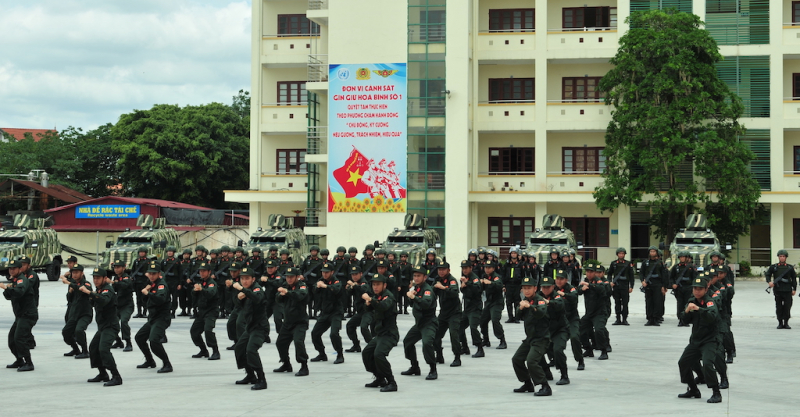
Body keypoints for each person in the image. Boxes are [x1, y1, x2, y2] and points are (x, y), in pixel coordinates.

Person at [677, 276, 723, 404]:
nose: (697, 291)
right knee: (683, 362)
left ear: (706, 289)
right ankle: (693, 389)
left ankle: (716, 392)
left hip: (709, 340)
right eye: (695, 289)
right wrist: (687, 311)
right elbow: (684, 320)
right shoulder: (691, 301)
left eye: (700, 289)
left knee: (707, 364)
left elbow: (712, 316)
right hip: (696, 340)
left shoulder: (710, 302)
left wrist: (698, 309)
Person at [511, 274, 552, 396]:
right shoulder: (525, 301)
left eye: (529, 288)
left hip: (541, 339)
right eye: (524, 288)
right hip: (530, 339)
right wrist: (521, 308)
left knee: (531, 361)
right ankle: (527, 383)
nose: (527, 290)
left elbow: (541, 312)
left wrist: (530, 307)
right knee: (517, 359)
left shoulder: (540, 300)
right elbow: (517, 317)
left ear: (535, 288)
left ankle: (545, 386)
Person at [232, 267, 269, 390]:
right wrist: (238, 298)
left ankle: (262, 379)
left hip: (260, 327)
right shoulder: (245, 291)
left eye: (247, 278)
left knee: (251, 350)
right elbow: (238, 304)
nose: (244, 281)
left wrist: (243, 290)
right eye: (242, 278)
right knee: (239, 348)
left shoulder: (257, 289)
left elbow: (257, 298)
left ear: (253, 279)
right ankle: (250, 375)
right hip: (250, 327)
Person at [362, 273, 399, 392]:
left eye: (378, 284)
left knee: (379, 354)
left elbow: (383, 306)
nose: (375, 287)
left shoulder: (388, 296)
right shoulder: (377, 296)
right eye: (373, 284)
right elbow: (369, 308)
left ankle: (392, 382)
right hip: (380, 334)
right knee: (367, 353)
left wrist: (370, 300)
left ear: (385, 285)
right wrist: (368, 303)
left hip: (389, 334)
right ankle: (379, 378)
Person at [86, 267, 123, 386]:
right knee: (93, 348)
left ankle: (116, 376)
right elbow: (93, 303)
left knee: (103, 349)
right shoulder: (98, 290)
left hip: (111, 326)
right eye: (94, 278)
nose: (95, 280)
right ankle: (103, 373)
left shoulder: (108, 290)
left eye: (98, 278)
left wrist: (90, 293)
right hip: (102, 326)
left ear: (105, 278)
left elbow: (103, 301)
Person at [401, 266, 439, 380]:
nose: (416, 278)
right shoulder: (417, 288)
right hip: (419, 323)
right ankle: (414, 367)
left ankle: (433, 369)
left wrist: (414, 297)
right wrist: (411, 297)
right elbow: (412, 304)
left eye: (419, 276)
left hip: (429, 323)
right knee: (407, 342)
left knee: (427, 344)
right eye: (415, 276)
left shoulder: (427, 290)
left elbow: (426, 304)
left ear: (425, 277)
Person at [134, 261, 173, 373]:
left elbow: (160, 299)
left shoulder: (161, 285)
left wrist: (148, 293)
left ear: (159, 274)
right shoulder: (151, 284)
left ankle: (167, 364)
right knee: (139, 337)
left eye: (154, 274)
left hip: (162, 318)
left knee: (154, 340)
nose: (151, 276)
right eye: (150, 273)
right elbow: (145, 301)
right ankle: (150, 361)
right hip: (153, 318)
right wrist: (146, 293)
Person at [273, 267, 310, 377]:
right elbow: (277, 299)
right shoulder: (285, 285)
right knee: (280, 343)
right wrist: (280, 295)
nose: (289, 279)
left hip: (300, 322)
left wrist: (288, 293)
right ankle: (286, 364)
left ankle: (304, 366)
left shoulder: (302, 286)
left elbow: (300, 296)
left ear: (297, 277)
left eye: (291, 277)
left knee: (298, 342)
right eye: (287, 277)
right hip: (288, 322)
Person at [1, 259, 37, 371]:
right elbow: (9, 296)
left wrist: (7, 287)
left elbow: (19, 292)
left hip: (28, 315)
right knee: (12, 339)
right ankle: (19, 359)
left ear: (19, 269)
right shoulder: (15, 280)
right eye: (10, 269)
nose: (11, 271)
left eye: (14, 268)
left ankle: (29, 363)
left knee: (19, 338)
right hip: (20, 315)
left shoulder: (22, 280)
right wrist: (8, 288)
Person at [310, 262, 345, 364]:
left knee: (334, 334)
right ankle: (321, 353)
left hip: (336, 312)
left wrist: (325, 286)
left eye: (327, 272)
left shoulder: (336, 281)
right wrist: (318, 287)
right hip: (325, 312)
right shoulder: (320, 280)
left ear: (332, 272)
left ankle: (340, 354)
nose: (324, 274)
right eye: (323, 272)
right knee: (315, 333)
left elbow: (336, 289)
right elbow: (314, 290)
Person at [539, 274, 570, 385]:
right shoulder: (538, 296)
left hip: (560, 330)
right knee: (536, 351)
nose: (545, 289)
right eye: (543, 287)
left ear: (552, 287)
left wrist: (548, 302)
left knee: (558, 350)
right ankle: (546, 372)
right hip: (545, 331)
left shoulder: (556, 296)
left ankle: (564, 375)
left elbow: (560, 304)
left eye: (548, 287)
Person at [432, 261, 462, 367]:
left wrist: (443, 287)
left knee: (454, 334)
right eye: (439, 269)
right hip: (443, 312)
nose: (441, 271)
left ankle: (457, 357)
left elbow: (454, 292)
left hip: (454, 312)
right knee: (435, 334)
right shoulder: (437, 280)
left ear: (448, 270)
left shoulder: (452, 280)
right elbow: (432, 294)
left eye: (443, 269)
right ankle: (439, 355)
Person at [579, 263, 611, 361]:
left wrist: (590, 285)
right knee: (580, 329)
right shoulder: (585, 281)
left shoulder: (599, 281)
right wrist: (582, 289)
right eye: (587, 271)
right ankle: (588, 349)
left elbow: (602, 289)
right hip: (589, 313)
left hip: (600, 313)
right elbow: (577, 291)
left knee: (599, 330)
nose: (589, 274)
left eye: (591, 272)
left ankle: (604, 350)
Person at [555, 265, 584, 371]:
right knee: (549, 339)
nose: (559, 281)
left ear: (566, 280)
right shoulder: (552, 288)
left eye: (561, 279)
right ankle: (554, 359)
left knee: (574, 337)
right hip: (559, 320)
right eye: (557, 278)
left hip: (572, 319)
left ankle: (580, 360)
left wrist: (564, 294)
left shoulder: (570, 288)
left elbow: (574, 297)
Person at [190, 262, 220, 360]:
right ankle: (203, 350)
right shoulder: (200, 282)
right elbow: (193, 294)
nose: (202, 273)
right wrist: (195, 290)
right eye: (200, 271)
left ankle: (215, 351)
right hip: (201, 311)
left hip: (211, 311)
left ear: (209, 272)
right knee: (194, 331)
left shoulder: (212, 283)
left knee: (208, 330)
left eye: (204, 271)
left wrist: (201, 289)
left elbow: (210, 294)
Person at [62, 263, 93, 359]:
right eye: (73, 272)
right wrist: (70, 292)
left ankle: (85, 351)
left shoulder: (86, 283)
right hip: (74, 313)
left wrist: (70, 284)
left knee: (79, 330)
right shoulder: (72, 284)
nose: (74, 274)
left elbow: (83, 290)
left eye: (77, 272)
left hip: (85, 314)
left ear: (82, 273)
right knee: (66, 332)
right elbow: (69, 299)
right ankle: (75, 349)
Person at [765, 249, 797, 329]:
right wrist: (769, 282)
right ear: (778, 257)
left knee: (787, 307)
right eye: (780, 256)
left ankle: (786, 323)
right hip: (778, 290)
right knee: (779, 307)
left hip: (787, 290)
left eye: (783, 256)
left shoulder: (790, 267)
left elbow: (793, 278)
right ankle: (780, 322)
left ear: (786, 257)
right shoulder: (774, 267)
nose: (782, 258)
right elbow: (768, 274)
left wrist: (794, 289)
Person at [479, 260, 507, 349]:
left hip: (497, 302)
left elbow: (499, 285)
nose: (487, 269)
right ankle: (486, 340)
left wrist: (490, 282)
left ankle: (502, 340)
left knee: (495, 320)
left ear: (493, 268)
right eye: (486, 267)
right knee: (482, 320)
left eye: (489, 268)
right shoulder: (484, 276)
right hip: (488, 302)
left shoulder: (496, 277)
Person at [458, 260, 483, 358]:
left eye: (466, 268)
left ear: (470, 268)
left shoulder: (474, 278)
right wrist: (462, 287)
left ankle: (480, 348)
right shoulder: (464, 278)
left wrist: (467, 283)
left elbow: (478, 290)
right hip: (467, 308)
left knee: (473, 327)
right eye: (463, 268)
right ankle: (464, 347)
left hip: (475, 308)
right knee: (459, 326)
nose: (464, 270)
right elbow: (464, 291)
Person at [110, 259, 134, 352]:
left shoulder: (127, 277)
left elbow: (124, 285)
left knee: (124, 322)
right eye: (115, 267)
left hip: (127, 305)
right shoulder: (116, 277)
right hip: (117, 305)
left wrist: (114, 283)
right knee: (111, 323)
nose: (116, 269)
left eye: (118, 267)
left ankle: (128, 342)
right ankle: (118, 341)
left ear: (123, 268)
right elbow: (114, 290)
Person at [640, 246, 668, 326]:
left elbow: (664, 275)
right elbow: (641, 273)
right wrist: (642, 281)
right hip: (648, 284)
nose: (652, 253)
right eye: (651, 251)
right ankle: (650, 319)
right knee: (649, 302)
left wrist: (664, 286)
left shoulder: (660, 263)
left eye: (654, 251)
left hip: (658, 284)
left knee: (657, 302)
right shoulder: (645, 262)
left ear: (656, 252)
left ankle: (656, 318)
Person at [345, 265, 371, 353]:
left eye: (356, 274)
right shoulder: (354, 283)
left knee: (364, 327)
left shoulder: (364, 282)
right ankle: (356, 345)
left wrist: (353, 285)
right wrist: (351, 287)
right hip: (360, 312)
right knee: (350, 325)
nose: (354, 276)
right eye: (353, 275)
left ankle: (372, 346)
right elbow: (348, 292)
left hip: (368, 311)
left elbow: (364, 289)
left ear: (361, 274)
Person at [607, 247, 634, 325]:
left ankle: (624, 319)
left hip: (625, 286)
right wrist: (610, 282)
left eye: (622, 253)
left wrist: (631, 286)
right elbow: (609, 274)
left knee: (625, 303)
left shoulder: (628, 263)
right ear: (617, 254)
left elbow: (631, 276)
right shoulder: (614, 263)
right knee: (617, 303)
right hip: (616, 286)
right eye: (620, 253)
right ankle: (618, 319)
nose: (621, 255)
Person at [670, 251, 697, 327]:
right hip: (679, 288)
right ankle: (681, 319)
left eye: (683, 257)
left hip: (688, 288)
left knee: (687, 304)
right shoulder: (676, 267)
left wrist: (694, 288)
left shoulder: (691, 267)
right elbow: (671, 277)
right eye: (681, 257)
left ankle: (686, 320)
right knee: (680, 304)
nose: (682, 259)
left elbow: (695, 278)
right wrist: (673, 284)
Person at [224, 262, 244, 350]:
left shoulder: (243, 279)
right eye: (231, 271)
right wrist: (228, 287)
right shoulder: (232, 280)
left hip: (244, 307)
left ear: (239, 271)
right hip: (236, 307)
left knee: (239, 324)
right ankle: (236, 342)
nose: (232, 273)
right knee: (230, 324)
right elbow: (230, 292)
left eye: (234, 271)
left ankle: (242, 343)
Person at [302, 245, 324, 318]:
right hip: (308, 282)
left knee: (316, 299)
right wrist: (302, 276)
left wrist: (320, 280)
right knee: (309, 299)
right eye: (312, 251)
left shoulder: (320, 261)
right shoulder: (307, 260)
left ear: (317, 252)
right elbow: (302, 269)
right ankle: (310, 314)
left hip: (316, 282)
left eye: (315, 251)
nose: (313, 252)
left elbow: (323, 272)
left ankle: (315, 313)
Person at [503, 248, 524, 323]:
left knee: (517, 302)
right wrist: (503, 286)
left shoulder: (521, 264)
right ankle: (510, 317)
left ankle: (517, 317)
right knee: (508, 302)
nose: (513, 254)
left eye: (515, 253)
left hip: (517, 285)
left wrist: (522, 286)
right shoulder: (507, 264)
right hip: (508, 285)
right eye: (512, 253)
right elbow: (503, 274)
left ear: (517, 254)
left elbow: (523, 275)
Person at [161, 246, 181, 318]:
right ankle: (167, 311)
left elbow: (180, 273)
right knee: (166, 297)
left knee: (174, 298)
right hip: (166, 281)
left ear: (173, 253)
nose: (169, 253)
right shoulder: (163, 261)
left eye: (171, 251)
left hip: (175, 281)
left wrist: (180, 283)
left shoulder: (177, 261)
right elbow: (161, 272)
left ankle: (173, 311)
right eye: (168, 251)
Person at [131, 247, 150, 318]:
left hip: (145, 282)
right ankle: (139, 312)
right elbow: (133, 270)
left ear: (145, 253)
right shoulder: (136, 261)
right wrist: (132, 277)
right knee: (138, 298)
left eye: (143, 252)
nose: (141, 253)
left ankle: (144, 312)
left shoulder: (148, 261)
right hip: (137, 282)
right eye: (140, 252)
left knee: (145, 297)